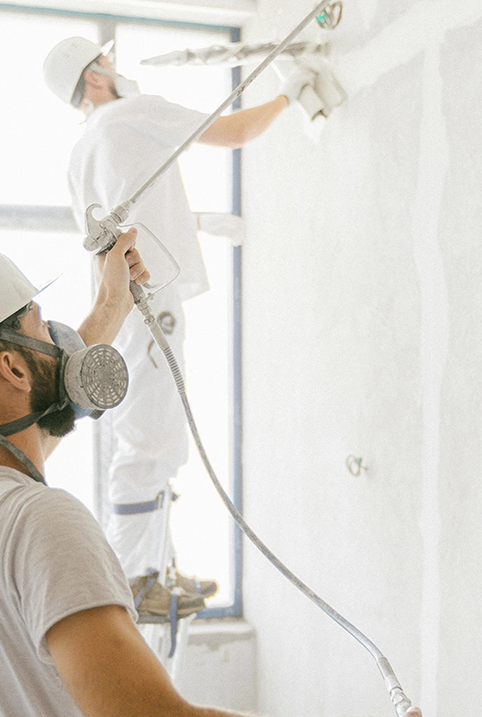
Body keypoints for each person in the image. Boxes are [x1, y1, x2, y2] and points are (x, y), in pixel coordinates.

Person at [0, 232, 255, 717]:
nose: (60, 342)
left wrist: (113, 303)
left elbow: (19, 434)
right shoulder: (42, 521)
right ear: (13, 367)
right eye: (43, 328)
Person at [42, 36, 312, 608]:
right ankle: (138, 580)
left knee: (153, 436)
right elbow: (234, 131)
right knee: (150, 440)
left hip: (127, 300)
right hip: (149, 297)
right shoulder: (130, 113)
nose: (115, 68)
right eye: (105, 61)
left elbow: (130, 215)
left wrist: (207, 223)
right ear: (92, 78)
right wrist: (293, 93)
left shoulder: (80, 152)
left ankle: (156, 570)